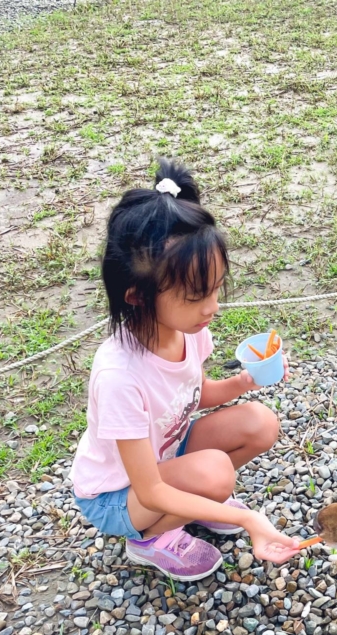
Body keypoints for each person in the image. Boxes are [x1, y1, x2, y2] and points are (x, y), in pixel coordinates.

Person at [69, 157, 300, 581]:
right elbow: (150, 489)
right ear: (137, 296)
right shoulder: (120, 375)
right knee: (215, 473)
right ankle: (148, 541)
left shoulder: (188, 330)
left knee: (260, 423)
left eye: (214, 289)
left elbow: (196, 393)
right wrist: (251, 522)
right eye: (196, 296)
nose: (211, 308)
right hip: (117, 493)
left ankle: (195, 503)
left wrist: (245, 381)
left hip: (165, 456)